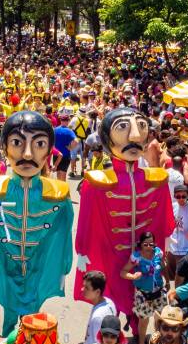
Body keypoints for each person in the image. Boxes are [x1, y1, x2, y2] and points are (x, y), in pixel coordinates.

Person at [0, 111, 74, 334]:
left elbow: (65, 229)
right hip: (6, 266)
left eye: (38, 144)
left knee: (33, 317)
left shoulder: (58, 194)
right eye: (18, 143)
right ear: (5, 148)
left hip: (39, 266)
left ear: (49, 151)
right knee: (10, 317)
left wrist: (65, 260)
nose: (28, 154)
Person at [74, 107, 175, 326]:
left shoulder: (155, 180)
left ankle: (139, 337)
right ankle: (110, 332)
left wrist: (165, 241)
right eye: (123, 128)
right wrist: (81, 249)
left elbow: (164, 216)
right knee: (110, 294)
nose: (135, 137)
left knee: (142, 296)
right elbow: (85, 220)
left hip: (143, 255)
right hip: (111, 253)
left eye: (141, 127)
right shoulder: (97, 183)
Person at [122, 231, 167, 344]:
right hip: (143, 295)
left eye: (151, 244)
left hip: (159, 292)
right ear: (140, 245)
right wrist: (133, 276)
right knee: (143, 322)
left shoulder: (158, 252)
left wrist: (168, 280)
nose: (148, 247)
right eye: (145, 244)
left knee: (160, 321)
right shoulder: (136, 257)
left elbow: (163, 267)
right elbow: (123, 272)